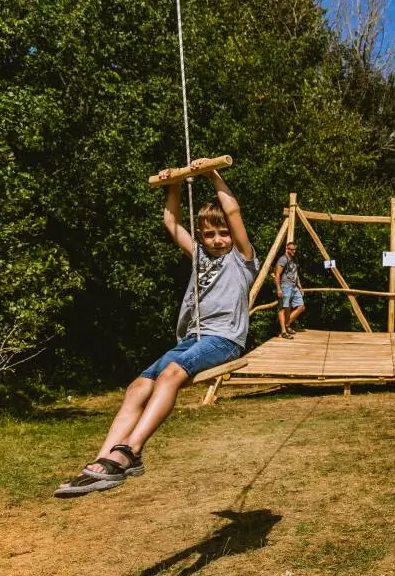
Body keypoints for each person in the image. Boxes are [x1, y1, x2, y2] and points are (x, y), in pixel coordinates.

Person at [55, 165, 258, 497]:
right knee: (137, 387)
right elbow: (171, 223)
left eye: (223, 233)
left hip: (223, 339)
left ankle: (131, 451)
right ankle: (102, 461)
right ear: (201, 235)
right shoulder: (199, 256)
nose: (218, 239)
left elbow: (232, 211)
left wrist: (212, 175)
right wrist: (174, 184)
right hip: (191, 340)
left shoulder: (242, 259)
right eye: (209, 234)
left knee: (170, 375)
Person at [274, 242, 305, 339]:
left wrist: (300, 287)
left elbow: (296, 275)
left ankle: (287, 325)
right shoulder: (283, 259)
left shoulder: (293, 260)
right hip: (285, 286)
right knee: (283, 308)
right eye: (292, 249)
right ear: (287, 249)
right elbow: (277, 274)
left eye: (295, 249)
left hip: (294, 286)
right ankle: (284, 331)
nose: (294, 251)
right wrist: (279, 288)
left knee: (301, 307)